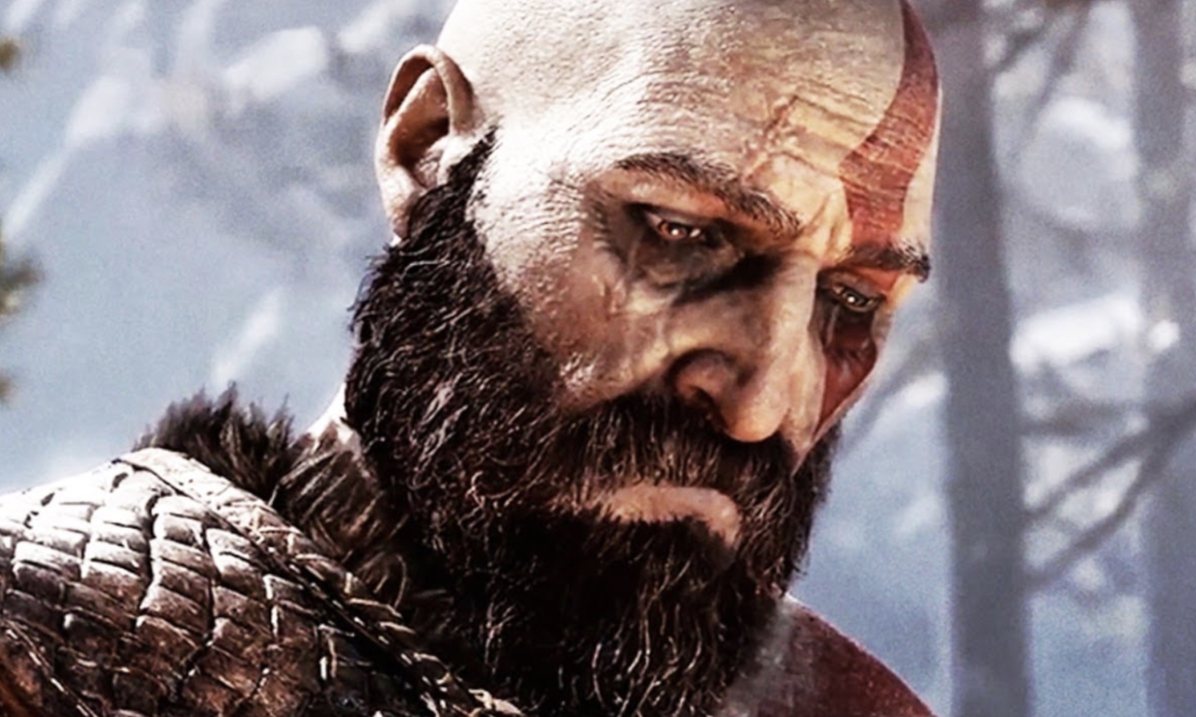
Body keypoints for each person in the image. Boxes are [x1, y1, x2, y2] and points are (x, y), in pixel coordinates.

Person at [0, 0, 940, 714]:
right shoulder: (34, 635)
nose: (764, 402)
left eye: (854, 300)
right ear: (427, 151)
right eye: (679, 231)